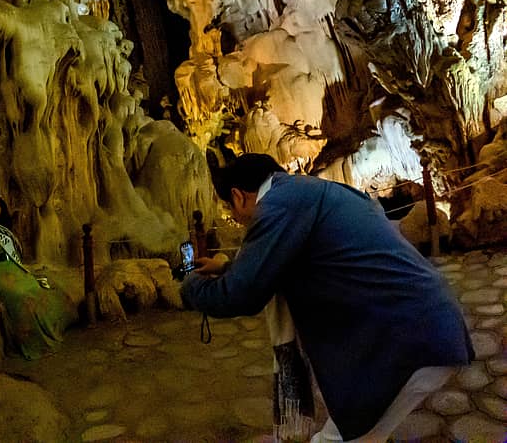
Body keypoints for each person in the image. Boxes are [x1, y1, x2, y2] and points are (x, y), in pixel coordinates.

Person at [180, 153, 474, 443]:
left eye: (231, 209)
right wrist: (228, 267)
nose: (236, 219)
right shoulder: (308, 192)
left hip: (404, 343)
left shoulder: (277, 206)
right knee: (366, 432)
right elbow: (284, 258)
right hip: (426, 326)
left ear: (238, 195)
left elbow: (240, 295)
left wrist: (190, 286)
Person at [0, 192, 75, 360]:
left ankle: (54, 328)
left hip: (13, 270)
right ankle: (34, 343)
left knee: (45, 287)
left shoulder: (4, 232)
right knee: (23, 297)